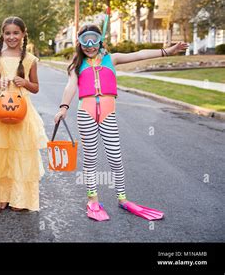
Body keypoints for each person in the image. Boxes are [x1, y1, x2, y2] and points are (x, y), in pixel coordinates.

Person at [54, 24, 188, 221]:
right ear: (79, 43)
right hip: (86, 114)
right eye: (85, 41)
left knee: (115, 158)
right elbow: (70, 86)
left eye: (94, 40)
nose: (90, 45)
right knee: (90, 159)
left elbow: (139, 54)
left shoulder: (111, 58)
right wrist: (64, 107)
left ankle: (122, 198)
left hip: (108, 114)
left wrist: (167, 51)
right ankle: (92, 199)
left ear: (100, 40)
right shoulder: (77, 65)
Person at [0, 16, 48, 212]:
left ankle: (20, 197)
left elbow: (35, 87)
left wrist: (24, 82)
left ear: (23, 34)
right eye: (7, 33)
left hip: (23, 113)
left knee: (20, 152)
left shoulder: (30, 59)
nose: (12, 36)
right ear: (2, 34)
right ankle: (0, 196)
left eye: (16, 33)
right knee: (0, 153)